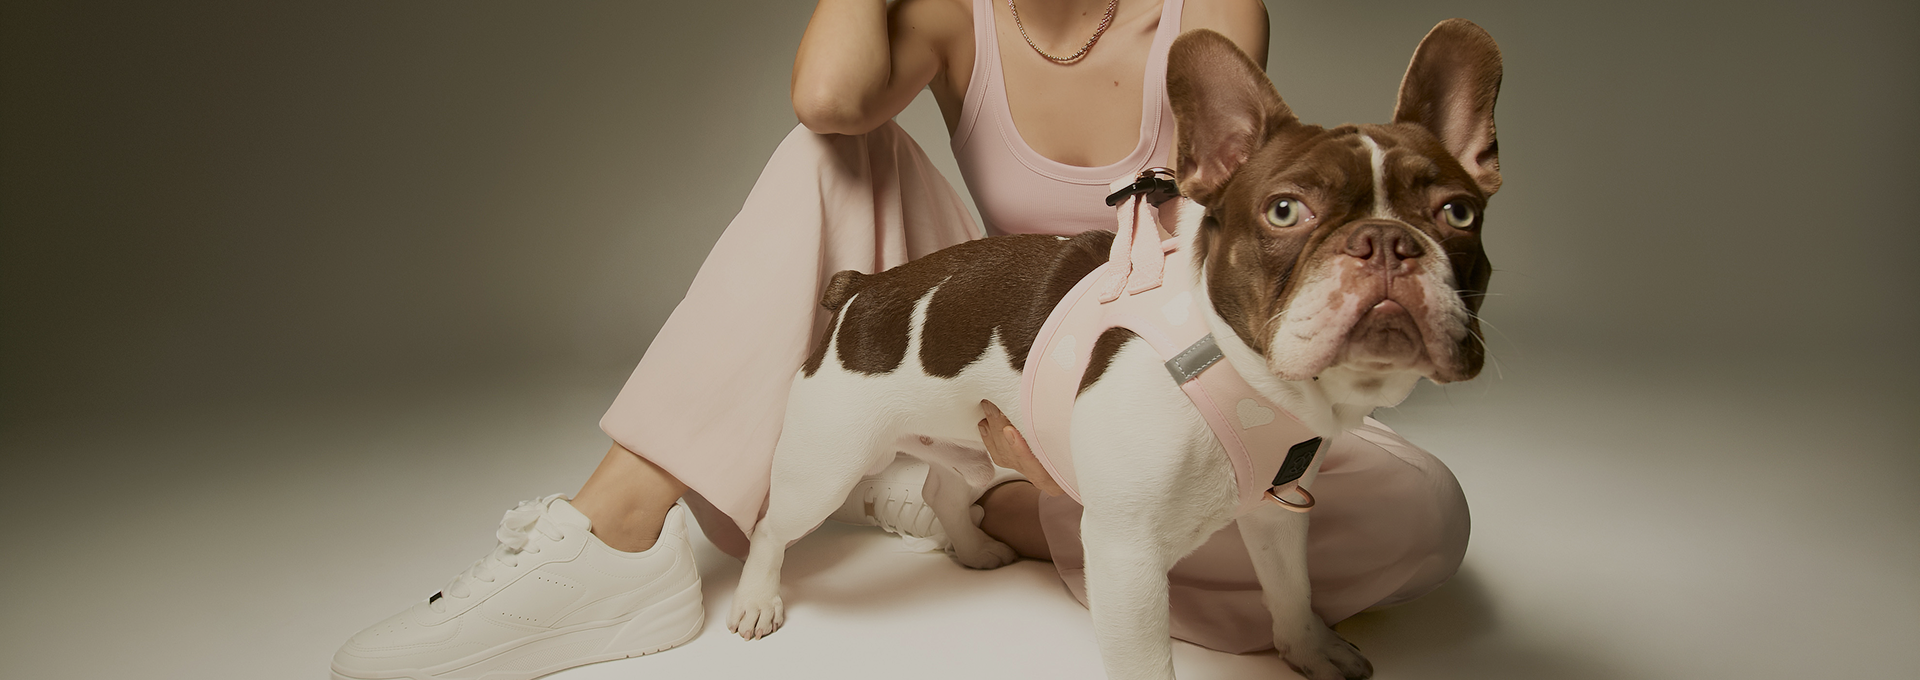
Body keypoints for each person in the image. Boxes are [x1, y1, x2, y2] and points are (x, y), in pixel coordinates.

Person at [330, 1, 1470, 678]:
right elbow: (831, 95)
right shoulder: (952, 9)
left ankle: (1012, 501)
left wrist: (1092, 425)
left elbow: (1231, 227)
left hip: (1154, 352)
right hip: (1003, 311)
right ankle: (616, 535)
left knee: (1420, 514)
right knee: (834, 151)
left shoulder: (1202, 4)